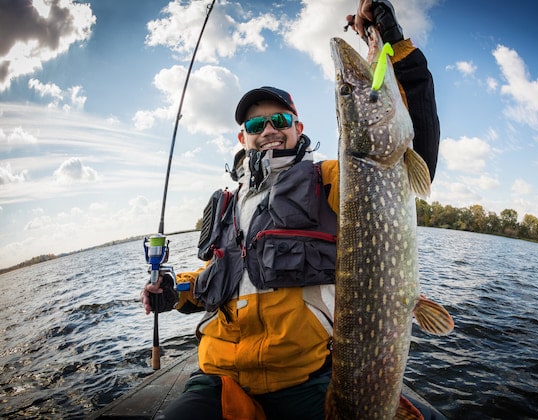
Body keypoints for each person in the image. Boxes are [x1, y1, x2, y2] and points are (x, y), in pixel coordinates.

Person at [141, 1, 441, 418]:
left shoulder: (335, 179)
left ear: (297, 128)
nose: (267, 131)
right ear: (242, 138)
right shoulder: (226, 205)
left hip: (304, 379)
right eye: (254, 125)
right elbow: (219, 275)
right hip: (219, 376)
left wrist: (392, 42)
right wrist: (174, 291)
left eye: (279, 119)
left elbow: (413, 145)